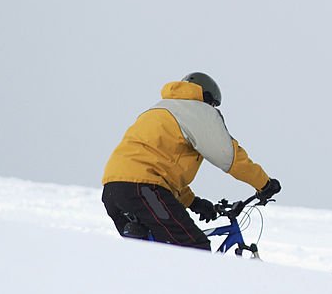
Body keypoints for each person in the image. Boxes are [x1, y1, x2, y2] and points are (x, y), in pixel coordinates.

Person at [101, 72, 281, 250]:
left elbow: (161, 166)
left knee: (157, 254)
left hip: (114, 190)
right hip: (143, 190)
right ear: (208, 98)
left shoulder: (160, 109)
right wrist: (264, 184)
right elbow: (229, 157)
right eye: (212, 104)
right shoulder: (195, 110)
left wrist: (194, 203)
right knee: (195, 250)